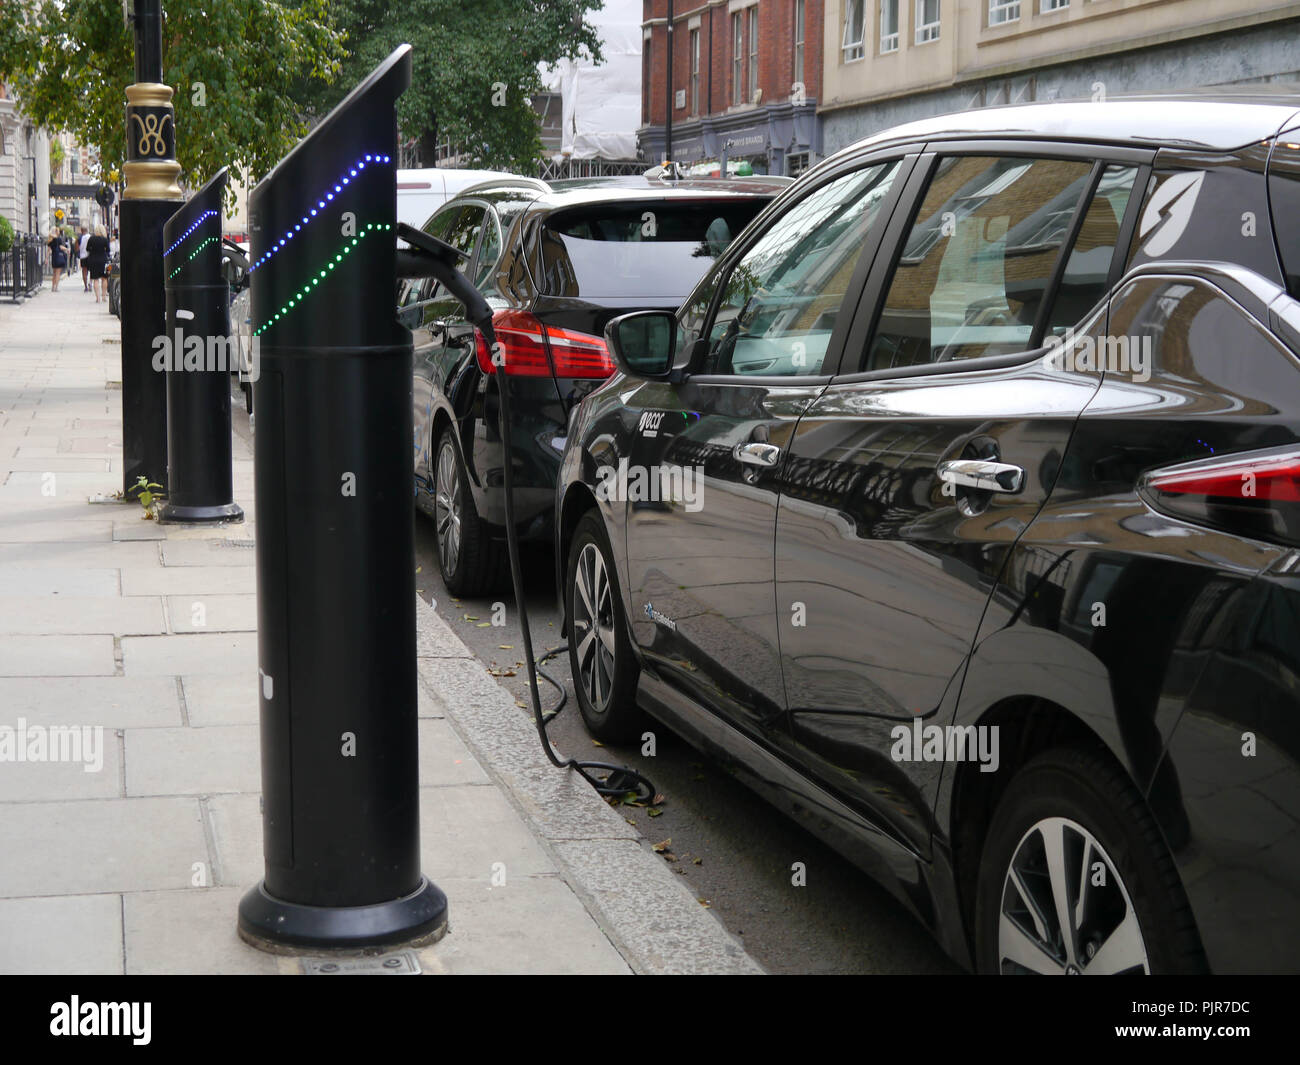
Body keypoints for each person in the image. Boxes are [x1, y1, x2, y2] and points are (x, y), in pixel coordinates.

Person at [85, 224, 110, 305]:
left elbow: (87, 249)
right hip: (103, 260)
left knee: (95, 279)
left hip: (93, 260)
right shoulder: (105, 239)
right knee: (104, 278)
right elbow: (108, 250)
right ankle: (104, 297)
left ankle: (98, 298)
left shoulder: (91, 239)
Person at [77, 227, 91, 291]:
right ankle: (90, 283)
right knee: (91, 271)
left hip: (83, 256)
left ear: (81, 231)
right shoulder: (90, 237)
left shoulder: (80, 238)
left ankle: (86, 287)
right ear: (87, 230)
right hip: (90, 256)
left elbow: (77, 248)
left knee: (84, 272)